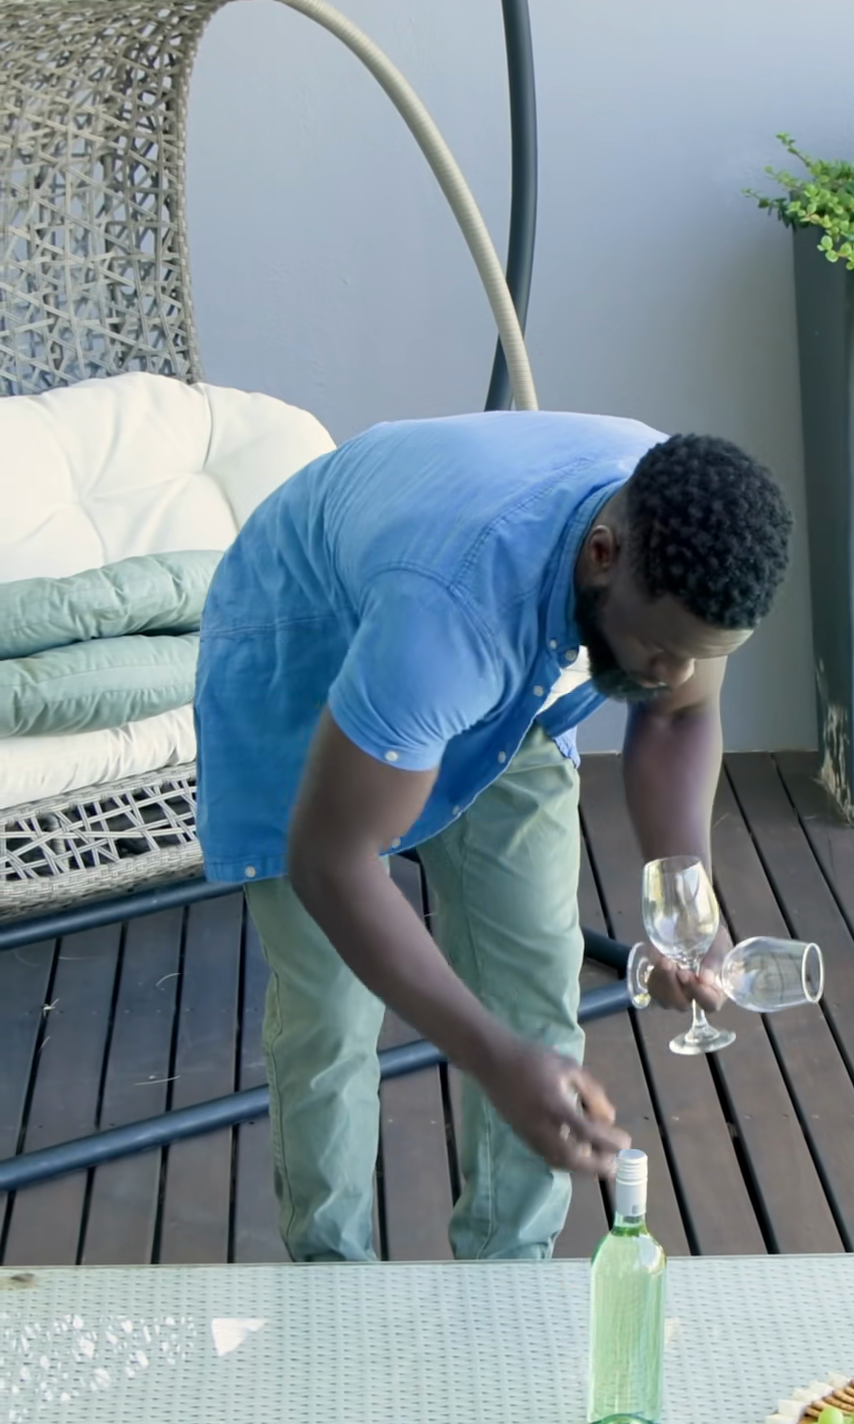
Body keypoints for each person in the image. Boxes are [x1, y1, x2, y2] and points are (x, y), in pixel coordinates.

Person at [194, 410, 791, 1263]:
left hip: (498, 681)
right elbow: (331, 863)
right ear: (602, 555)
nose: (676, 675)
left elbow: (678, 716)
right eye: (663, 648)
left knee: (535, 974)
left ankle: (508, 1285)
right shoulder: (447, 619)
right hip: (307, 651)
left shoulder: (688, 544)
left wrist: (685, 906)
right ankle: (333, 1288)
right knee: (332, 1011)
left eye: (704, 653)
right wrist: (495, 1060)